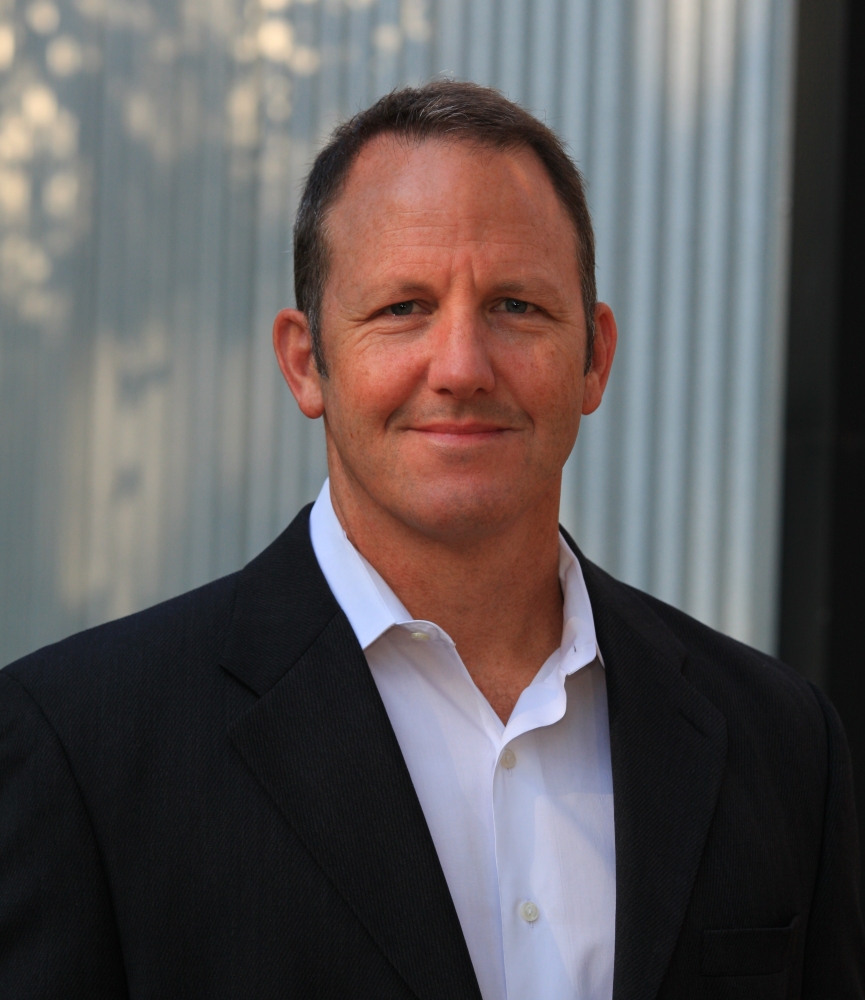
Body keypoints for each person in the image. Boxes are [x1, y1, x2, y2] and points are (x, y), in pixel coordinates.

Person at [0, 81, 862, 1000]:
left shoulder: (780, 742)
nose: (460, 367)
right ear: (306, 362)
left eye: (516, 307)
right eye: (403, 307)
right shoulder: (82, 748)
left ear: (594, 357)